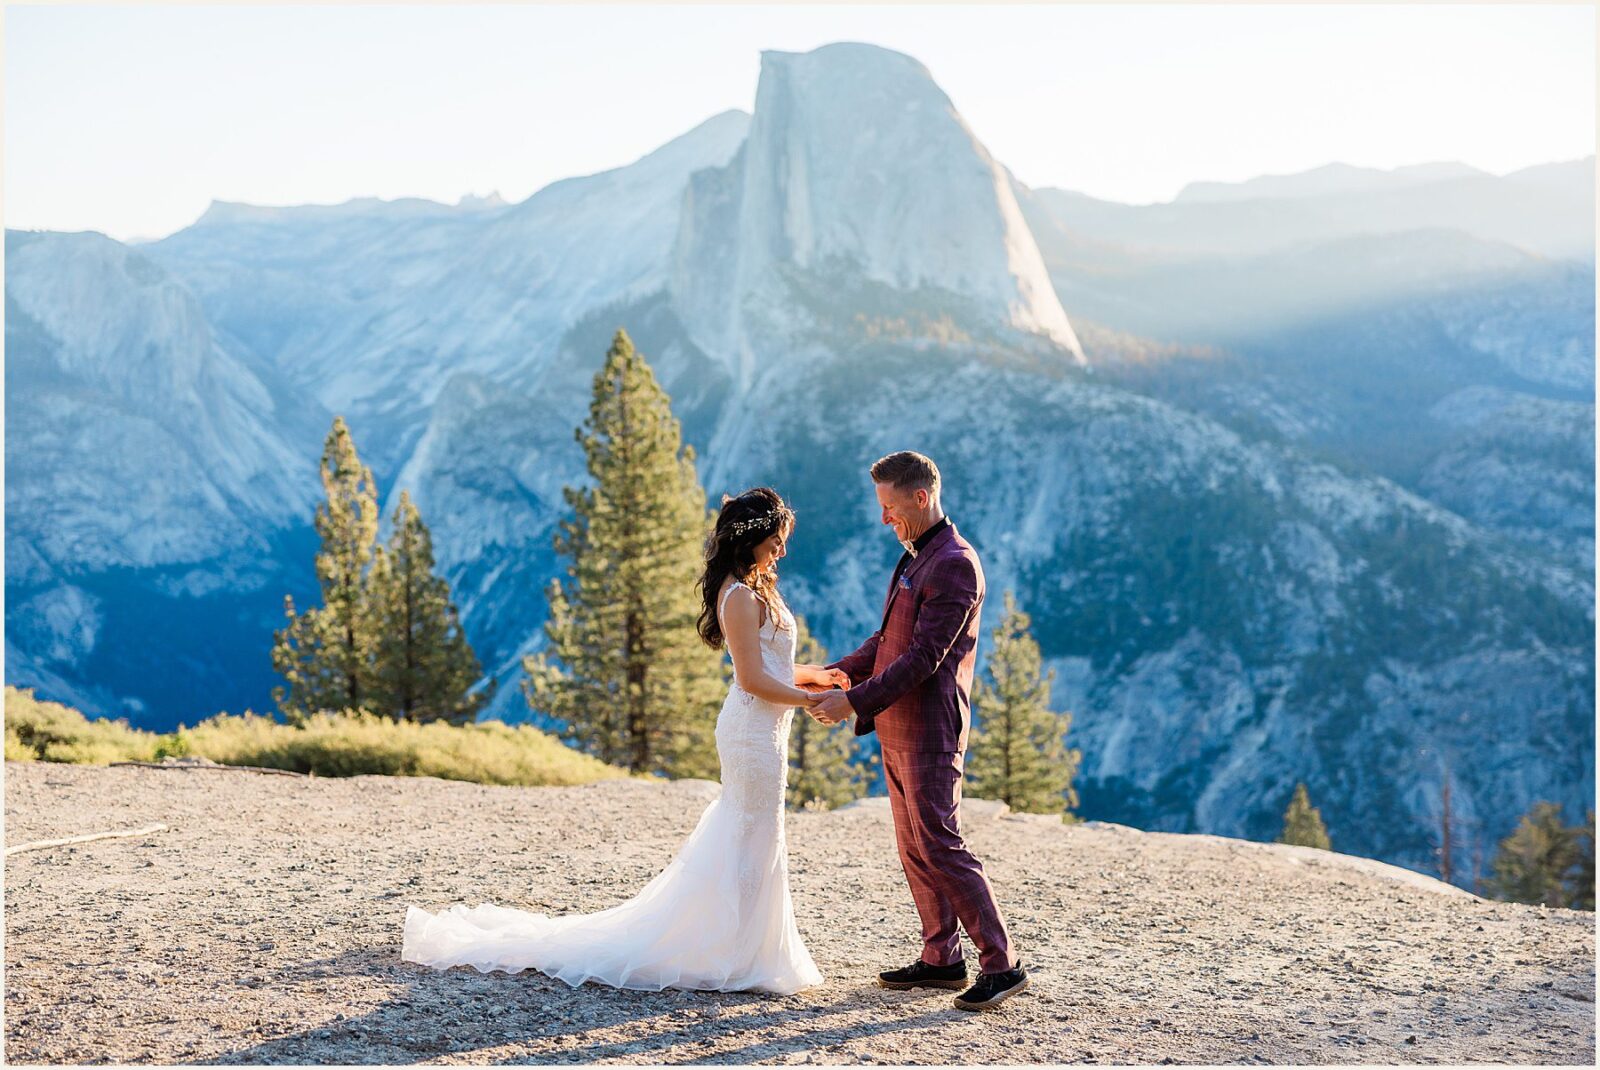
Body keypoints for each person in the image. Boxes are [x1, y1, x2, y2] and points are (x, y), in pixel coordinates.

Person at [401, 487, 835, 994]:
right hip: (750, 732)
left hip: (769, 729)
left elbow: (775, 668)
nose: (782, 550)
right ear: (753, 538)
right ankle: (734, 952)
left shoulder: (760, 587)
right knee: (749, 830)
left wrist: (818, 678)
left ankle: (744, 947)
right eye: (777, 541)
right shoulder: (738, 596)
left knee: (759, 832)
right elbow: (750, 679)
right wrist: (807, 702)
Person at [807, 451, 1028, 1011]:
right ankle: (941, 959)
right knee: (913, 847)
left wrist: (851, 701)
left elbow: (925, 657)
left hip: (931, 729)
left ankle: (1001, 965)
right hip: (898, 726)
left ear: (920, 497)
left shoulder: (954, 563)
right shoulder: (914, 557)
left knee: (940, 844)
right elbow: (888, 643)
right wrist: (838, 671)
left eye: (889, 506)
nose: (884, 518)